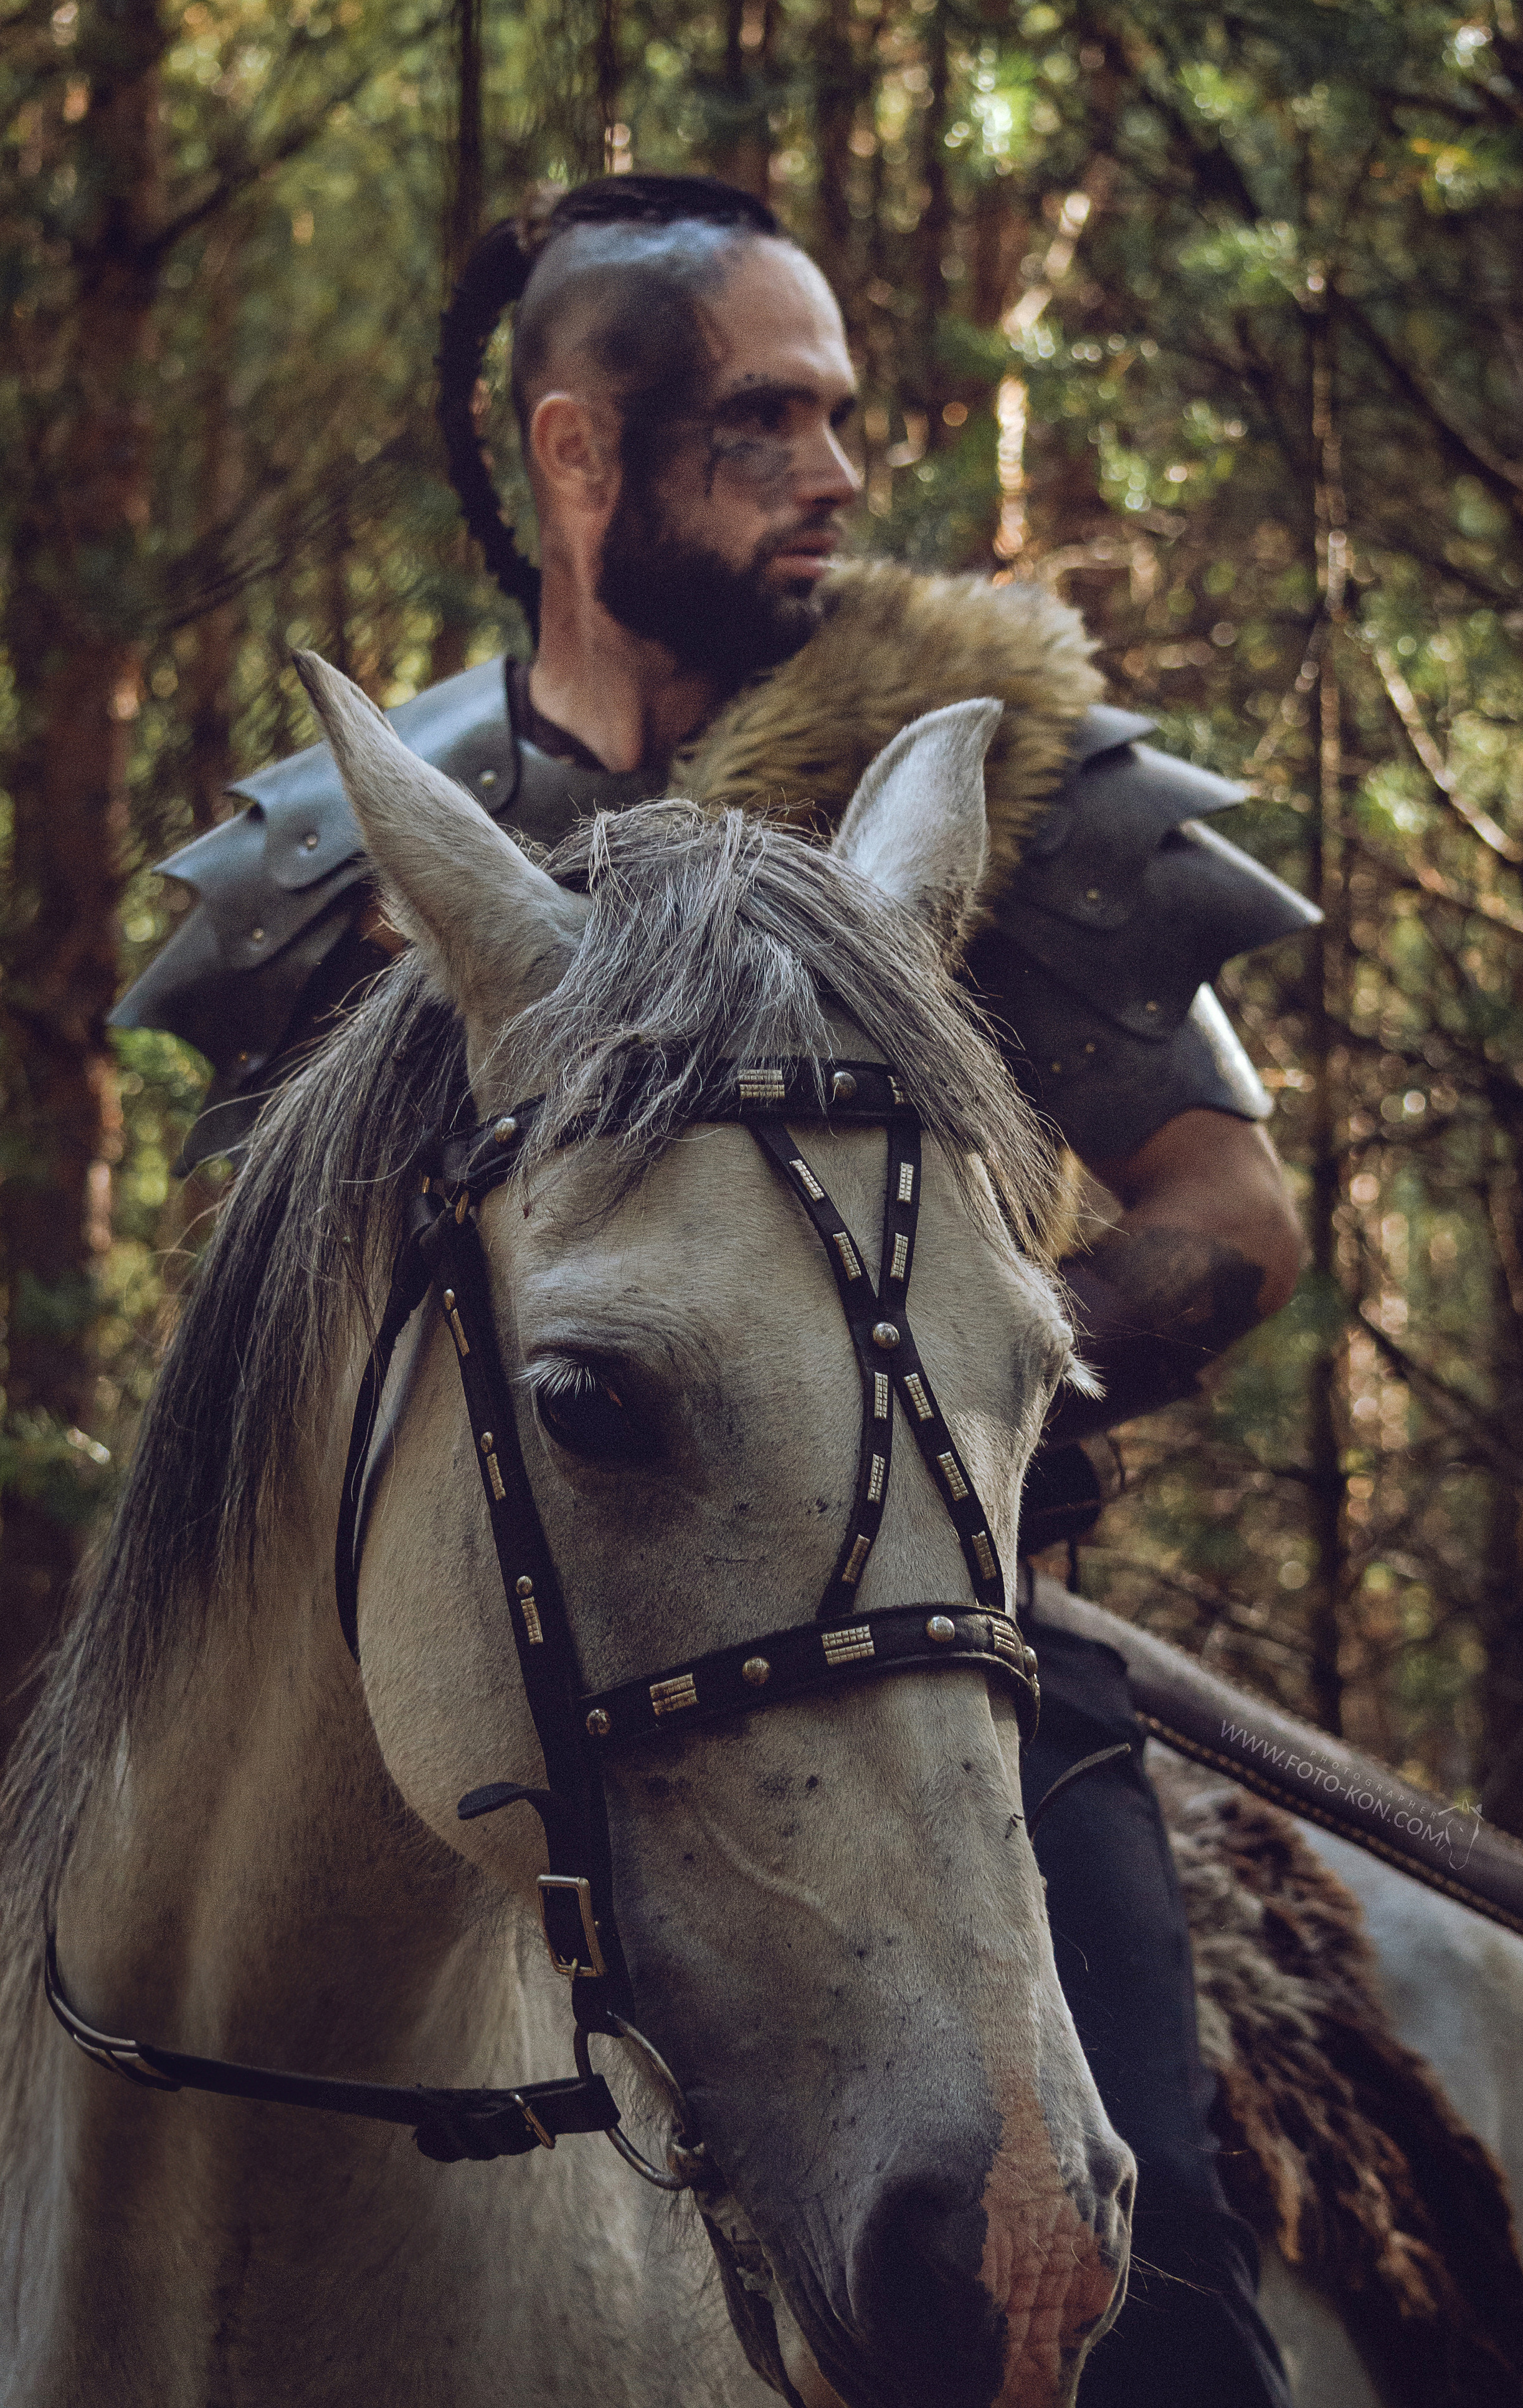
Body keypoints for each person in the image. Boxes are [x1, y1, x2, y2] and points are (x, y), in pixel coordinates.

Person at [113, 174, 1314, 2406]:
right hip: (446, 1675)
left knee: (1147, 2316)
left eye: (837, 415)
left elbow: (1232, 1210)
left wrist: (941, 1416)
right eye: (764, 423)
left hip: (934, 1649)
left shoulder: (992, 769)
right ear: (578, 455)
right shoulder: (346, 857)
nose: (837, 475)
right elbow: (264, 1363)